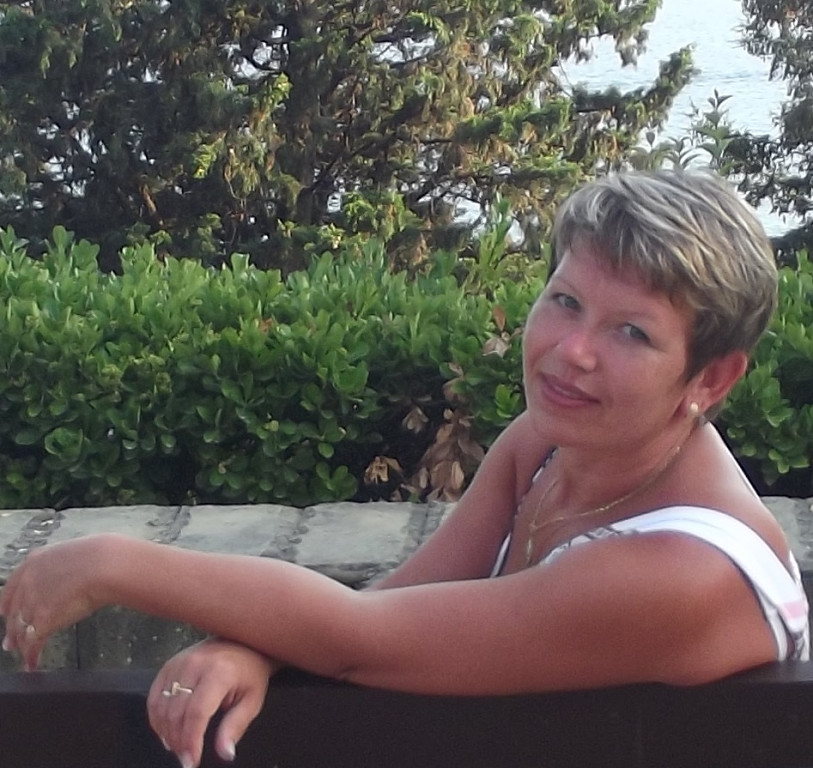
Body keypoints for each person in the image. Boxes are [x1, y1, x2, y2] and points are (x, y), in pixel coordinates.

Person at [1, 170, 808, 768]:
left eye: (631, 332)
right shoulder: (546, 444)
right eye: (565, 302)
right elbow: (393, 606)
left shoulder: (684, 572)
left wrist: (113, 563)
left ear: (710, 378)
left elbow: (358, 640)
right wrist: (262, 651)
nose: (572, 351)